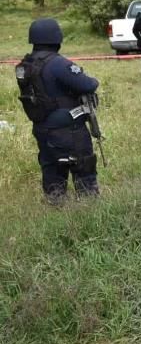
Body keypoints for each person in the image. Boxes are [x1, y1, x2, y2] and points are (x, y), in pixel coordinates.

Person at [15, 18, 101, 205]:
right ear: (56, 38)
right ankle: (89, 208)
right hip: (68, 129)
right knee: (83, 165)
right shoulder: (58, 64)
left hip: (42, 128)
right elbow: (88, 84)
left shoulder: (26, 65)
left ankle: (56, 205)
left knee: (52, 169)